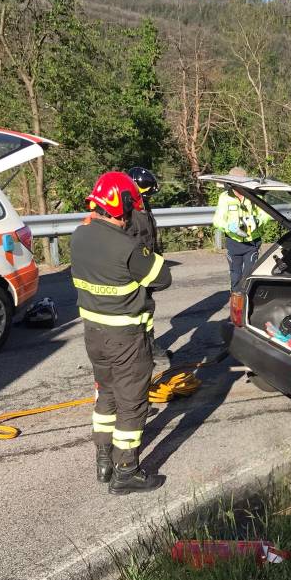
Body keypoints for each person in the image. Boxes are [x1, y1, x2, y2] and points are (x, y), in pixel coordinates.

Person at [71, 171, 172, 495]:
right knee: (132, 404)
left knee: (106, 394)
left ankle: (104, 460)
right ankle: (126, 470)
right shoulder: (127, 248)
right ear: (124, 206)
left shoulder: (78, 235)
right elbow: (163, 278)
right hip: (126, 338)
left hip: (94, 334)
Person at [126, 166, 166, 362]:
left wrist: (157, 258)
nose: (147, 199)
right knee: (135, 310)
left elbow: (150, 235)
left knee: (147, 308)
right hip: (134, 269)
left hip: (147, 265)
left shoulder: (143, 207)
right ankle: (138, 351)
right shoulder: (128, 212)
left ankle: (149, 345)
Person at [212, 167, 270, 292]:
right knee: (235, 275)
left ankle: (248, 301)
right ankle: (236, 301)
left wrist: (257, 222)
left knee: (249, 275)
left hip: (252, 242)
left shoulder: (254, 195)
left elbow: (266, 214)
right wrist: (230, 227)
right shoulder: (225, 197)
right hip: (234, 242)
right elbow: (217, 220)